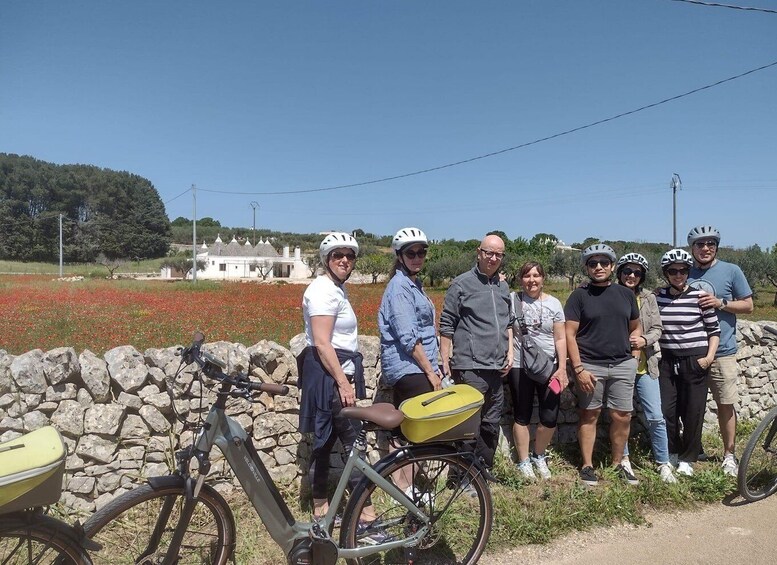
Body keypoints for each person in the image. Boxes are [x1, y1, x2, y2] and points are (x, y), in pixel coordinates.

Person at [298, 232, 375, 524]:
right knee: (354, 442)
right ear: (326, 259)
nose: (345, 260)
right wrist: (343, 383)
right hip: (332, 377)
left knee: (325, 441)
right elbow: (322, 342)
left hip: (333, 374)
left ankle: (320, 507)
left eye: (350, 255)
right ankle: (366, 515)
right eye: (337, 255)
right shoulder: (323, 291)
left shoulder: (334, 289)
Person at [565, 243, 641, 486]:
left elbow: (636, 327)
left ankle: (618, 464)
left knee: (622, 416)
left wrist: (635, 357)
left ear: (612, 266)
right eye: (593, 263)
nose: (598, 267)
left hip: (622, 365)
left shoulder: (626, 294)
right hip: (590, 366)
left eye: (604, 263)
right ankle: (587, 465)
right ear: (587, 267)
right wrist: (578, 369)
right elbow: (570, 334)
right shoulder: (579, 296)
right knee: (589, 414)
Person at [439, 234, 513, 478]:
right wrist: (445, 359)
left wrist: (510, 351)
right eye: (488, 252)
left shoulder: (502, 286)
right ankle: (461, 476)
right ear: (478, 252)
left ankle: (482, 470)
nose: (493, 258)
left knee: (491, 422)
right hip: (470, 366)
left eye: (498, 254)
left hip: (497, 367)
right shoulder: (461, 284)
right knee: (469, 424)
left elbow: (508, 322)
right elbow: (447, 323)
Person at [378, 227, 441, 500]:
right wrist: (431, 372)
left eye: (421, 252)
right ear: (400, 256)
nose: (417, 257)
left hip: (417, 365)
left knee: (411, 430)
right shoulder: (400, 287)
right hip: (408, 367)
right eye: (411, 253)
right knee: (407, 431)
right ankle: (405, 489)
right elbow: (408, 337)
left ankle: (408, 487)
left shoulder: (413, 283)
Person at [687, 225, 753, 477]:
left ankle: (729, 455)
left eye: (710, 244)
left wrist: (720, 303)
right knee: (691, 405)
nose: (705, 248)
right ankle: (694, 449)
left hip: (723, 350)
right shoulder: (683, 271)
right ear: (691, 247)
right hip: (691, 350)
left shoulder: (731, 271)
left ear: (716, 247)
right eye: (700, 244)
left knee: (725, 403)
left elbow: (748, 305)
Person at [656, 249, 720, 476]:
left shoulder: (700, 297)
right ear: (666, 273)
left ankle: (688, 457)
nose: (678, 275)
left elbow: (714, 330)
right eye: (672, 271)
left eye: (683, 270)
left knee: (693, 411)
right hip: (667, 361)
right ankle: (672, 451)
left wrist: (708, 358)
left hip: (695, 360)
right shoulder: (657, 297)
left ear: (688, 272)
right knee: (667, 410)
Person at [615, 253, 676, 483]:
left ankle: (663, 462)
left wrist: (645, 340)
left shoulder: (649, 297)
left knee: (656, 416)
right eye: (627, 271)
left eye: (637, 272)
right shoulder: (611, 294)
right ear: (619, 273)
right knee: (623, 415)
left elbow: (658, 328)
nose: (632, 276)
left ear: (642, 276)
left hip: (646, 366)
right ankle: (624, 459)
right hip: (620, 364)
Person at [508, 261, 567, 480]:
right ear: (520, 279)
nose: (531, 280)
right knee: (521, 415)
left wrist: (562, 368)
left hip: (549, 366)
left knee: (549, 416)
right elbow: (507, 332)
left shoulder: (554, 304)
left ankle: (538, 455)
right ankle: (523, 462)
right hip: (519, 366)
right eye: (526, 276)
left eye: (536, 275)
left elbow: (560, 338)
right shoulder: (512, 301)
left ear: (543, 278)